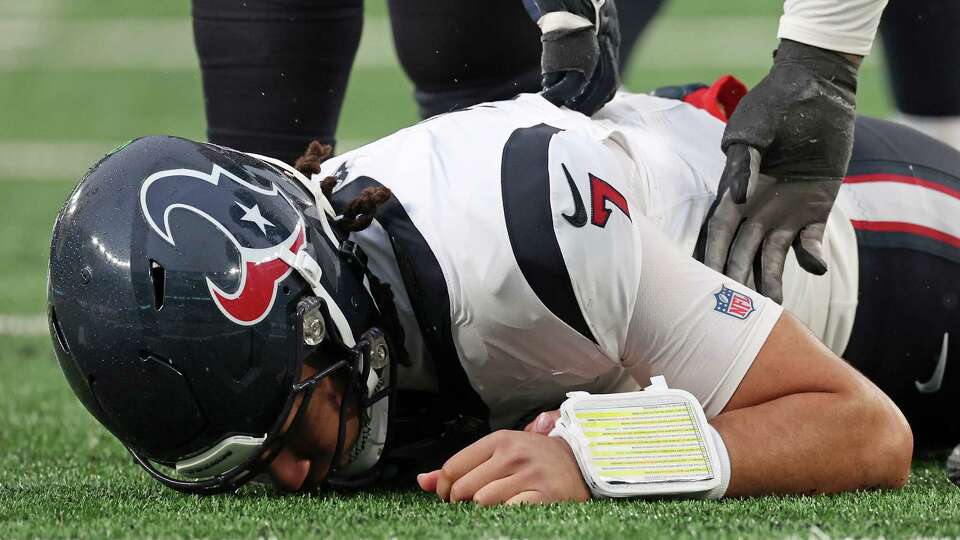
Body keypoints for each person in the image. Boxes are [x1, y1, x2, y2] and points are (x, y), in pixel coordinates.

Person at [54, 82, 960, 501]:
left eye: (286, 427)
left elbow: (864, 429)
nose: (288, 475)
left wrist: (595, 456)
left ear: (316, 310)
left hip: (878, 257)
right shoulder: (348, 286)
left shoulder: (530, 245)